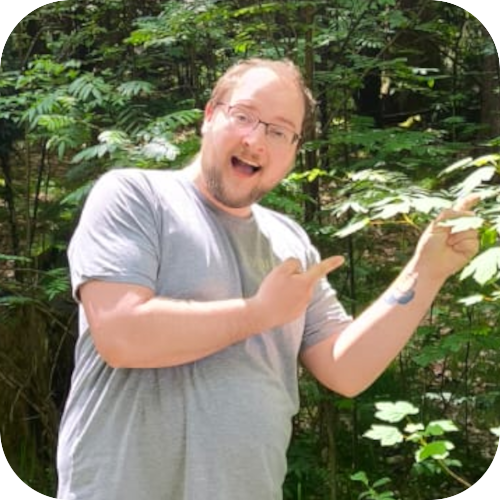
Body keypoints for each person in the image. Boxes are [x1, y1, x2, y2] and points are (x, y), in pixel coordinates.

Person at [56, 58, 479, 500]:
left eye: (279, 131)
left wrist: (425, 272)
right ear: (209, 116)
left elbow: (345, 369)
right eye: (243, 116)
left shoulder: (290, 243)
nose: (256, 140)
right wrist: (258, 314)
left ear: (293, 151)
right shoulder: (136, 196)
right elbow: (122, 335)